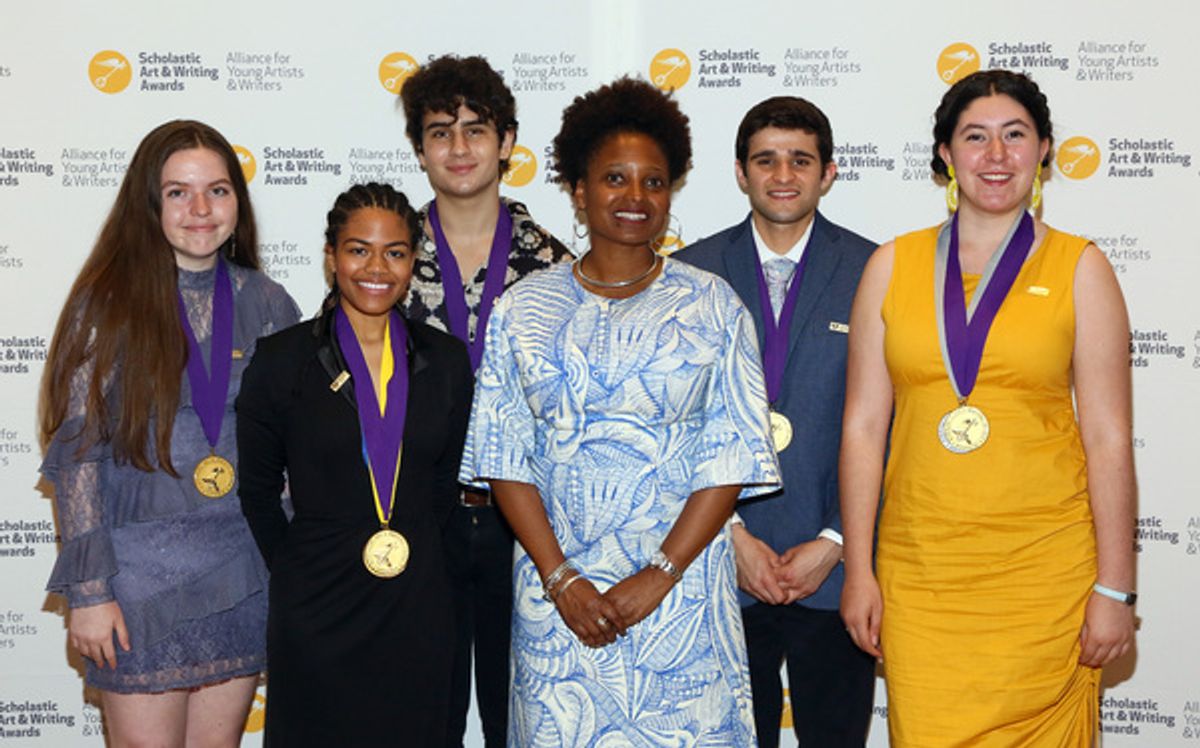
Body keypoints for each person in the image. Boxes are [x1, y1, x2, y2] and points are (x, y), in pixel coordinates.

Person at [459, 77, 782, 745]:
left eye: (653, 182)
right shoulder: (523, 309)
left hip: (683, 598)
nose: (635, 196)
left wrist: (660, 575)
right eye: (614, 178)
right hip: (557, 601)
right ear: (578, 191)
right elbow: (503, 455)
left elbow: (731, 456)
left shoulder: (713, 306)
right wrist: (560, 578)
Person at [840, 69, 1136, 746]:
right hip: (921, 578)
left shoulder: (1081, 267)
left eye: (1015, 135)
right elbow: (862, 429)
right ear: (946, 152)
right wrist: (859, 570)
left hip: (1046, 575)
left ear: (1044, 150)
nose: (996, 155)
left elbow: (1109, 437)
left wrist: (1116, 588)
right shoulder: (890, 265)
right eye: (975, 137)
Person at [39, 119, 299, 746]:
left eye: (217, 190)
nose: (200, 209)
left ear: (238, 200)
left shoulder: (269, 303)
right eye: (178, 192)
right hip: (135, 584)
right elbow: (78, 459)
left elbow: (294, 449)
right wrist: (90, 593)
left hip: (240, 571)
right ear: (148, 203)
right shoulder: (105, 305)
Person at [236, 182, 473, 746]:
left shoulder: (446, 361)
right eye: (358, 249)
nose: (376, 268)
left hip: (418, 602)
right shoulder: (282, 361)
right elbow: (258, 493)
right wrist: (300, 567)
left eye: (395, 252)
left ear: (412, 262)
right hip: (316, 603)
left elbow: (446, 484)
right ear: (331, 256)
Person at [674, 96, 876, 746]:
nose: (783, 175)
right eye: (765, 160)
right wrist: (730, 535)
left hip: (836, 569)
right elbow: (676, 423)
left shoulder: (876, 270)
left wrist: (837, 540)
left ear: (828, 172)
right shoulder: (691, 273)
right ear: (740, 172)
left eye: (800, 160)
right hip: (722, 565)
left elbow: (893, 421)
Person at [398, 53, 572, 748]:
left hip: (526, 524)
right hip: (416, 517)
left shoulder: (556, 265)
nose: (459, 147)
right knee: (422, 717)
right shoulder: (384, 258)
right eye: (440, 132)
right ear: (419, 150)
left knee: (520, 719)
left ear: (508, 142)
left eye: (476, 129)